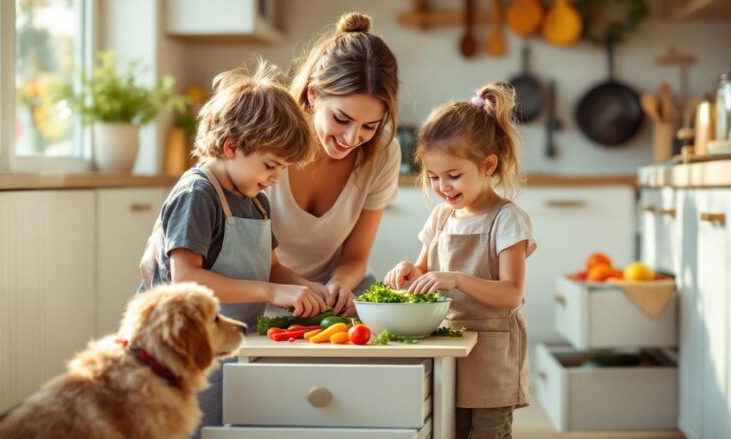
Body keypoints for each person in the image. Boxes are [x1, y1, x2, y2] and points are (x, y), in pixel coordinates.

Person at [138, 62, 327, 436]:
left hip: (228, 343)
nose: (275, 179)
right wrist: (272, 293)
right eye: (271, 165)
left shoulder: (254, 199)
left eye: (282, 169)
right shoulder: (199, 193)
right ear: (232, 146)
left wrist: (312, 288)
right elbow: (186, 278)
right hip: (178, 352)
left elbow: (272, 268)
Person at [384, 83, 536, 438]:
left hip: (492, 358)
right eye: (434, 177)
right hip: (447, 348)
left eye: (454, 176)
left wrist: (456, 279)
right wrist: (409, 271)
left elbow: (512, 295)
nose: (443, 187)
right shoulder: (440, 217)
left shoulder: (507, 219)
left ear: (488, 165)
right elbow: (424, 271)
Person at [265, 12, 400, 317]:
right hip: (265, 295)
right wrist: (304, 291)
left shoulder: (383, 154)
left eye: (370, 126)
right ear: (312, 94)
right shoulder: (266, 139)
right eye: (342, 118)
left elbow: (356, 256)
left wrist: (339, 284)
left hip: (332, 301)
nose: (353, 138)